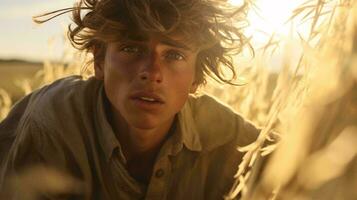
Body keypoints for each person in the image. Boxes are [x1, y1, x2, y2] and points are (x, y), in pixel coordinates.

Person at [0, 0, 259, 199]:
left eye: (175, 55)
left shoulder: (229, 136)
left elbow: (292, 171)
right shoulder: (53, 123)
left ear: (196, 79)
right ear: (100, 61)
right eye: (131, 49)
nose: (152, 73)